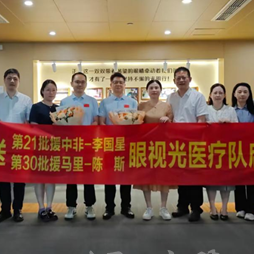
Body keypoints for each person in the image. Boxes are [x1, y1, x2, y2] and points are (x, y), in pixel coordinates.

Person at [0, 68, 32, 223]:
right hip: (2, 146)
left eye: (15, 78)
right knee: (3, 180)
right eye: (9, 78)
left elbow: (29, 123)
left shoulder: (26, 100)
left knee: (19, 180)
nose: (12, 81)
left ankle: (18, 209)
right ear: (4, 80)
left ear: (19, 81)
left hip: (19, 145)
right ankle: (5, 210)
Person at [167, 67, 208, 222]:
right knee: (181, 175)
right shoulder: (170, 97)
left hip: (193, 142)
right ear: (174, 81)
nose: (181, 80)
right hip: (177, 143)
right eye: (178, 78)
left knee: (194, 176)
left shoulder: (198, 96)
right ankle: (182, 206)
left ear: (190, 79)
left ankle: (196, 208)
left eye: (184, 77)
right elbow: (170, 117)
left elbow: (201, 120)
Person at [99, 72, 138, 219]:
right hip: (110, 144)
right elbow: (102, 122)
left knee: (125, 177)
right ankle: (109, 208)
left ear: (125, 85)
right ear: (111, 85)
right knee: (109, 177)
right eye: (115, 82)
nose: (118, 84)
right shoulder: (105, 102)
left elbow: (135, 121)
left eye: (121, 82)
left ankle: (126, 207)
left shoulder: (132, 102)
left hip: (126, 144)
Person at [135, 80, 175, 221]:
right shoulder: (141, 105)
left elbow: (172, 124)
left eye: (156, 87)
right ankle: (149, 208)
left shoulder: (167, 106)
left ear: (160, 90)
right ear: (147, 90)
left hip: (162, 146)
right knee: (147, 176)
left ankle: (163, 207)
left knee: (164, 176)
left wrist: (167, 119)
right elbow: (137, 123)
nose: (154, 90)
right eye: (151, 87)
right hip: (146, 146)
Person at [61, 72, 98, 220]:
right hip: (71, 144)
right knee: (71, 176)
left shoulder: (92, 101)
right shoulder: (64, 101)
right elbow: (61, 121)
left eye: (82, 82)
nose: (80, 84)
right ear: (72, 83)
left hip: (88, 143)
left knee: (89, 176)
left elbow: (96, 120)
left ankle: (89, 206)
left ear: (86, 84)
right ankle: (71, 206)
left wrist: (89, 130)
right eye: (77, 82)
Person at [205, 83, 238, 220]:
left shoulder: (231, 110)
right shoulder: (205, 110)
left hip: (227, 150)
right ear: (210, 95)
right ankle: (212, 207)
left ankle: (224, 208)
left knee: (226, 181)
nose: (218, 95)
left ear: (224, 95)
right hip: (210, 150)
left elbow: (237, 128)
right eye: (215, 92)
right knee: (211, 180)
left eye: (220, 93)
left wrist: (229, 125)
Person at [231, 82, 254, 222]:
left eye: (245, 92)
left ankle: (251, 210)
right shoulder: (231, 110)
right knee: (238, 179)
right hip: (235, 149)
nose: (242, 94)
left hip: (251, 149)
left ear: (249, 94)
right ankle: (240, 208)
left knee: (252, 179)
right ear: (234, 94)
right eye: (239, 92)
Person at [29, 80, 59, 223]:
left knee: (51, 179)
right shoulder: (36, 107)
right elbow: (33, 126)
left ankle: (50, 206)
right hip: (40, 147)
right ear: (42, 91)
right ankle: (41, 207)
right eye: (48, 90)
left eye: (53, 90)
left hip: (54, 148)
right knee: (40, 178)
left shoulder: (58, 109)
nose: (51, 93)